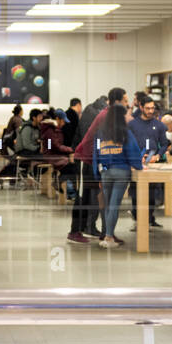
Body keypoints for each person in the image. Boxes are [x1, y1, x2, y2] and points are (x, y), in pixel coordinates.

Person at [68, 90, 122, 244]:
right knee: (82, 197)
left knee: (98, 197)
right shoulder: (101, 115)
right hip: (86, 160)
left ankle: (103, 231)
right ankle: (75, 231)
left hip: (92, 160)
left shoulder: (98, 112)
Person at [93, 104, 144, 247]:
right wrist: (139, 166)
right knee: (114, 205)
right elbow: (133, 152)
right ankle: (109, 238)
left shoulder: (100, 133)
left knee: (108, 206)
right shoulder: (125, 133)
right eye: (127, 114)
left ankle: (106, 237)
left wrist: (97, 174)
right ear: (121, 117)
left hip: (105, 172)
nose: (130, 117)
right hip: (121, 172)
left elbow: (96, 154)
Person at [128, 97, 169, 228]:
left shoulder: (159, 125)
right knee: (136, 193)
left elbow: (164, 144)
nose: (151, 111)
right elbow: (127, 144)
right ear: (141, 107)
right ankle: (137, 219)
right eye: (148, 108)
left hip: (153, 164)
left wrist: (157, 156)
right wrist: (135, 157)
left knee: (152, 193)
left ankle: (150, 219)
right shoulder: (132, 125)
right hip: (136, 164)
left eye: (152, 108)